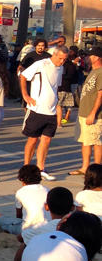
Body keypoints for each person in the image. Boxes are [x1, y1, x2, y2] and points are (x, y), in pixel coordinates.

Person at [0, 181, 74, 261]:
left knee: (25, 244)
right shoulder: (78, 226)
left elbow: (20, 238)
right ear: (73, 207)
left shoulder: (42, 227)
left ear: (46, 207)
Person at [20, 44, 69, 180]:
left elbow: (56, 87)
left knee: (46, 140)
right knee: (33, 139)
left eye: (64, 59)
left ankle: (41, 168)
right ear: (54, 54)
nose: (62, 61)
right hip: (37, 109)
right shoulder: (41, 64)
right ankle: (27, 167)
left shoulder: (61, 68)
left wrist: (56, 101)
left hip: (51, 110)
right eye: (60, 58)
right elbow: (23, 76)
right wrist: (25, 95)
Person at [70, 45, 102, 176]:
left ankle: (97, 169)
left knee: (96, 141)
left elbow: (100, 95)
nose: (88, 58)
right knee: (85, 141)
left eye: (90, 56)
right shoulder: (92, 71)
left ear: (97, 57)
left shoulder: (100, 72)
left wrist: (93, 113)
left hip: (94, 115)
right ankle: (85, 167)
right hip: (83, 112)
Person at [57, 45, 78, 127]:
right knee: (66, 103)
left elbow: (70, 75)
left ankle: (63, 119)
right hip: (67, 85)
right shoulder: (70, 63)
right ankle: (65, 118)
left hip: (66, 86)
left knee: (60, 104)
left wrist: (59, 76)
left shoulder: (70, 64)